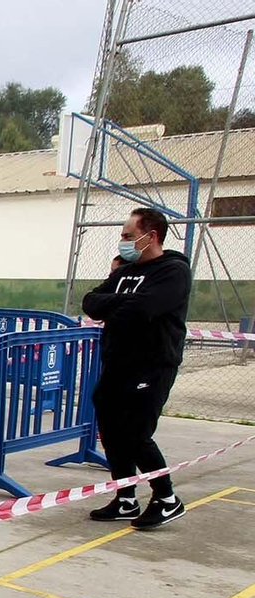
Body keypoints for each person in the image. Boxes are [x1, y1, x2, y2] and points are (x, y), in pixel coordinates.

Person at [82, 207, 192, 530]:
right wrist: (118, 304)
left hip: (151, 366)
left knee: (136, 434)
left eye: (129, 236)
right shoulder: (126, 271)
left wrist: (113, 305)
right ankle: (125, 496)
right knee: (112, 431)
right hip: (117, 363)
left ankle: (167, 498)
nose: (123, 241)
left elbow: (142, 310)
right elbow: (90, 302)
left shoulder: (172, 271)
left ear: (151, 236)